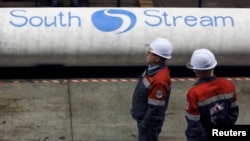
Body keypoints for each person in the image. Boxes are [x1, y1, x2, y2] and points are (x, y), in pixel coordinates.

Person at [185, 48, 239, 141]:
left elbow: (194, 124)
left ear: (197, 70)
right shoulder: (228, 85)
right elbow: (233, 113)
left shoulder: (194, 93)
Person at [130, 37, 173, 141]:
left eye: (149, 52)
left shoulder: (159, 80)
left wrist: (145, 125)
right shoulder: (152, 69)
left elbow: (156, 109)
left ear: (157, 58)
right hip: (144, 119)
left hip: (149, 124)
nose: (147, 53)